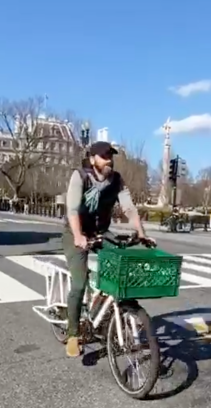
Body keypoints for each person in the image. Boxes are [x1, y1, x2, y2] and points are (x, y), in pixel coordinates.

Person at [63, 141, 153, 358]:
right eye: (104, 156)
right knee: (79, 283)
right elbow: (72, 210)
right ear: (93, 158)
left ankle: (107, 311)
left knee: (121, 261)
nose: (109, 160)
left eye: (111, 156)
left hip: (101, 232)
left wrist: (141, 233)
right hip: (76, 233)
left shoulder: (116, 180)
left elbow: (129, 208)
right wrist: (78, 236)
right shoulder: (80, 176)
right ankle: (73, 334)